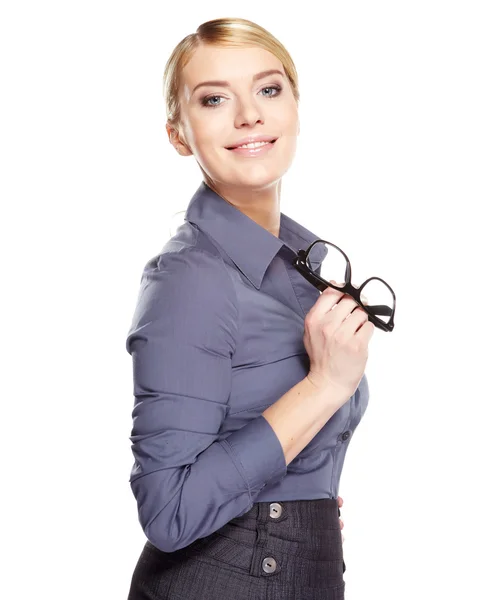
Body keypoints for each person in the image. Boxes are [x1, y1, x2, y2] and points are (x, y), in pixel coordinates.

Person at [126, 16, 374, 600]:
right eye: (213, 99)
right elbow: (171, 513)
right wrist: (322, 387)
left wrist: (305, 512)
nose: (249, 116)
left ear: (293, 106)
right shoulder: (191, 277)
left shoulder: (300, 264)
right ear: (179, 134)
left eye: (268, 89)